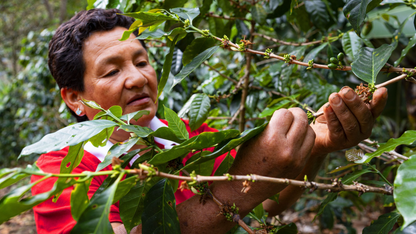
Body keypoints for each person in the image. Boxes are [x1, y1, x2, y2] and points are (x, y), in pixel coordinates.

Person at [31, 8, 388, 234]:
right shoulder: (61, 173)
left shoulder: (188, 137)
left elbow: (265, 201)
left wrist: (316, 146)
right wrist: (234, 189)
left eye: (141, 62)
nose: (138, 78)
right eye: (111, 70)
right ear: (75, 98)